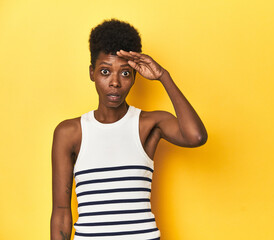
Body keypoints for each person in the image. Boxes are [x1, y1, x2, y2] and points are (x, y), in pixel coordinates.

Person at [50, 19, 207, 240]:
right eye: (105, 72)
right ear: (92, 73)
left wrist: (163, 76)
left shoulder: (149, 124)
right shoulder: (69, 132)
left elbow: (196, 136)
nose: (114, 82)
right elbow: (61, 211)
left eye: (124, 73)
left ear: (135, 76)